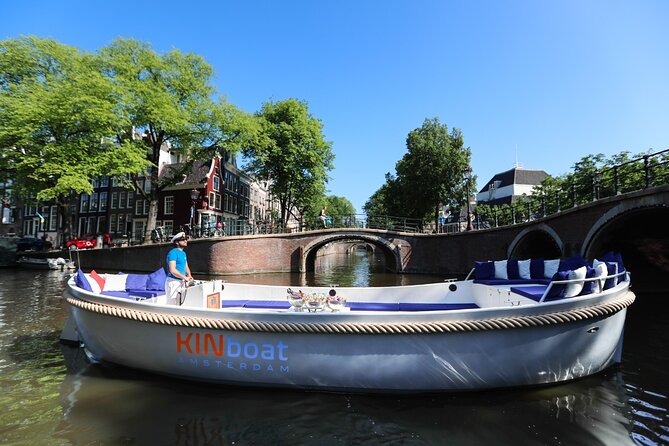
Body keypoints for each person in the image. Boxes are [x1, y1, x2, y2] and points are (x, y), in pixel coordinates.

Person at [165, 232, 193, 305]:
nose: (185, 241)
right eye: (183, 240)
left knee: (181, 303)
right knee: (172, 304)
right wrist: (184, 277)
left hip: (181, 281)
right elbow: (172, 270)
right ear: (177, 242)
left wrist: (189, 275)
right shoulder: (173, 253)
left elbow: (186, 266)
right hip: (173, 281)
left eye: (186, 239)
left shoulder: (183, 253)